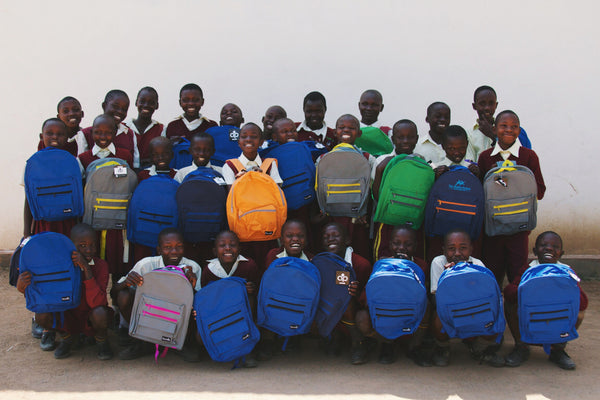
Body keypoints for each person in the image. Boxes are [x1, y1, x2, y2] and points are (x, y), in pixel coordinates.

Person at [17, 223, 114, 360]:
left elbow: (98, 302)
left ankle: (102, 341)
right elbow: (43, 295)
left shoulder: (101, 265)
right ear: (71, 246)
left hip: (90, 316)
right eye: (82, 245)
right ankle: (68, 338)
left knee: (101, 313)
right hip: (66, 314)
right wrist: (22, 287)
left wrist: (86, 269)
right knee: (41, 316)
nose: (88, 250)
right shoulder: (59, 265)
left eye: (93, 245)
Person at [477, 110, 546, 286]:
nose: (509, 130)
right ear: (494, 129)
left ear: (519, 131)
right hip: (493, 229)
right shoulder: (485, 157)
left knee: (518, 275)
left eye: (514, 127)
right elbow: (481, 194)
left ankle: (514, 304)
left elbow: (540, 190)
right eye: (503, 126)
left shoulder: (528, 156)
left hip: (519, 229)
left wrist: (515, 181)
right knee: (492, 274)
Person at [112, 228, 201, 360]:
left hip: (176, 317)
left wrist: (191, 285)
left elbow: (200, 302)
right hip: (151, 314)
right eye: (167, 247)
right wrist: (126, 282)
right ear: (159, 250)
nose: (174, 251)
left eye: (179, 247)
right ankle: (144, 341)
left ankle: (181, 342)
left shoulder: (192, 267)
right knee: (124, 296)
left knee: (198, 308)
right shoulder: (146, 265)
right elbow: (113, 293)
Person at [503, 231, 587, 370]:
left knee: (580, 313)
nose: (549, 248)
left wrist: (565, 290)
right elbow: (509, 292)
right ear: (535, 251)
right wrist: (525, 290)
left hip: (557, 314)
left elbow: (583, 302)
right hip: (534, 314)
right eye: (543, 245)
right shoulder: (529, 269)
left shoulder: (566, 272)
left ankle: (557, 349)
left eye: (555, 246)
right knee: (509, 305)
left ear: (561, 253)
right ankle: (521, 346)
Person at [429, 229, 505, 367]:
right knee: (437, 318)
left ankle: (479, 348)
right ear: (444, 250)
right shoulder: (439, 262)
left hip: (474, 310)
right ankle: (443, 348)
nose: (457, 253)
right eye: (451, 249)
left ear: (471, 249)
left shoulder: (477, 265)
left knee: (495, 317)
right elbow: (436, 300)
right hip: (450, 311)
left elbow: (488, 298)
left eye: (463, 248)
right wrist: (448, 277)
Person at [356, 226, 430, 365]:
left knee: (427, 305)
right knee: (362, 318)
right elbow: (368, 297)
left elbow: (422, 294)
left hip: (409, 312)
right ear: (390, 245)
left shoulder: (421, 266)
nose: (401, 248)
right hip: (387, 312)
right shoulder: (381, 265)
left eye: (408, 244)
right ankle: (386, 344)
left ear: (415, 246)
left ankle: (414, 347)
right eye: (396, 243)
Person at [222, 123, 283, 271]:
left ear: (261, 142)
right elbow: (231, 194)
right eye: (244, 136)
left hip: (267, 226)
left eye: (254, 137)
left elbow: (278, 191)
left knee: (267, 265)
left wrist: (261, 177)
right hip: (243, 228)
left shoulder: (270, 164)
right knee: (247, 268)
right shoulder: (230, 166)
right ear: (238, 142)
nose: (248, 139)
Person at [314, 114, 375, 261]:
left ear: (359, 133)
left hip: (357, 219)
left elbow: (372, 190)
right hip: (331, 218)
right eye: (341, 127)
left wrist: (366, 214)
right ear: (335, 132)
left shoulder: (368, 158)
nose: (346, 130)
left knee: (357, 256)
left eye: (351, 128)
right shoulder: (322, 159)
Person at [371, 119, 426, 260]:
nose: (405, 141)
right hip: (387, 220)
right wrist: (380, 170)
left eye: (410, 137)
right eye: (400, 137)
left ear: (417, 139)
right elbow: (376, 196)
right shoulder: (382, 160)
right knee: (383, 255)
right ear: (393, 139)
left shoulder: (421, 162)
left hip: (412, 220)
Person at [318, 222, 371, 364]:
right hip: (330, 310)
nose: (330, 239)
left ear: (347, 240)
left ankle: (358, 343)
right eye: (326, 237)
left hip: (354, 313)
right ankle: (334, 337)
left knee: (345, 299)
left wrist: (357, 293)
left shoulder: (361, 264)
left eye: (336, 235)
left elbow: (369, 298)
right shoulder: (319, 262)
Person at [23, 118, 81, 239]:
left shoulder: (73, 162)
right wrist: (26, 232)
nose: (55, 137)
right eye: (49, 133)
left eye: (60, 134)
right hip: (43, 223)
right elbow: (28, 199)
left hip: (68, 222)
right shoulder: (33, 164)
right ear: (41, 136)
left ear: (67, 137)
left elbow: (79, 197)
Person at [467, 85, 532, 161]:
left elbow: (525, 158)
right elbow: (470, 163)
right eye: (482, 103)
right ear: (474, 106)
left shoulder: (517, 131)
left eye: (491, 103)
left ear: (496, 105)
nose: (487, 108)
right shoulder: (469, 135)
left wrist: (493, 136)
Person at [82, 90, 140, 168]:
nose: (120, 111)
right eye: (115, 107)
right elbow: (81, 165)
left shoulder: (130, 134)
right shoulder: (85, 134)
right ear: (104, 106)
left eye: (124, 109)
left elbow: (135, 166)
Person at [126, 87, 163, 168]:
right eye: (142, 101)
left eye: (151, 102)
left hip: (150, 173)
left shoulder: (161, 129)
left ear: (157, 105)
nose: (146, 105)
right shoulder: (124, 127)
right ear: (136, 102)